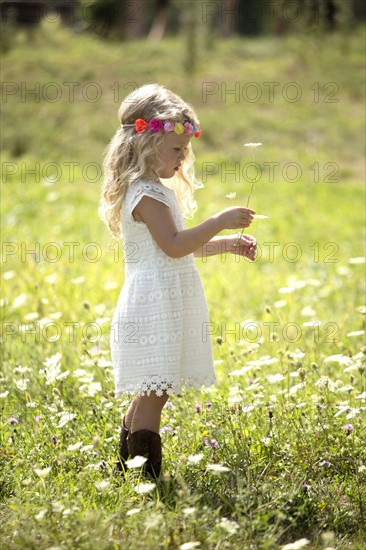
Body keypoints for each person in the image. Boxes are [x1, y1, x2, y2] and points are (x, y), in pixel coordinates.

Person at [99, 83, 256, 478]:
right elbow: (172, 245)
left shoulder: (155, 191)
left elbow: (185, 245)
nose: (183, 157)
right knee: (154, 392)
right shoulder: (146, 195)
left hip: (162, 301)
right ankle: (147, 478)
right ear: (145, 145)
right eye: (175, 149)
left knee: (153, 389)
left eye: (185, 149)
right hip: (153, 305)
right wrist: (218, 220)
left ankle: (126, 468)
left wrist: (225, 244)